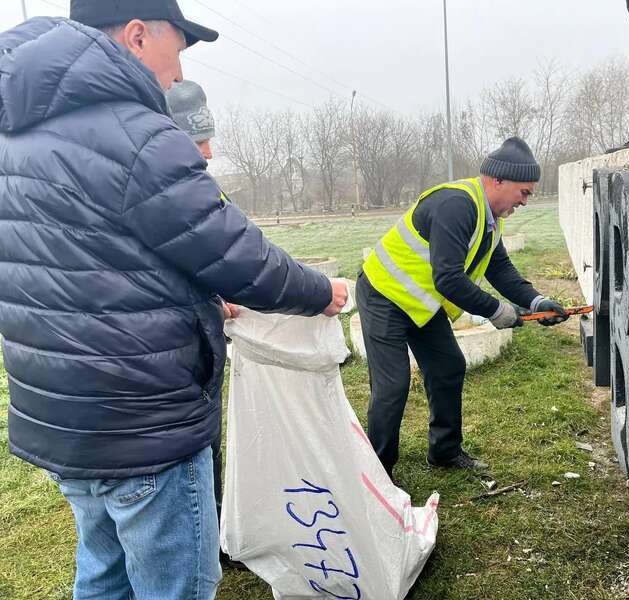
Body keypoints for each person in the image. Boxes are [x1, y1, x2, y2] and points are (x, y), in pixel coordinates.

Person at [0, 2, 347, 600]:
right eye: (178, 49)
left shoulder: (17, 133)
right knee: (176, 586)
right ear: (137, 34)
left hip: (60, 416)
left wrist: (196, 301)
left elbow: (92, 264)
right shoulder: (133, 130)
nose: (179, 74)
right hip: (142, 421)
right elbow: (235, 254)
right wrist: (321, 292)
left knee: (103, 574)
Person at [357, 137, 568, 480]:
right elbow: (449, 280)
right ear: (498, 181)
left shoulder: (489, 218)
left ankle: (444, 450)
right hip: (383, 296)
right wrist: (497, 311)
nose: (525, 202)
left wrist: (536, 301)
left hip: (419, 302)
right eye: (524, 192)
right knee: (392, 385)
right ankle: (378, 474)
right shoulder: (457, 205)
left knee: (448, 366)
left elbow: (499, 268)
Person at [165, 78, 242, 570]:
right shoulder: (161, 184)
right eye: (198, 140)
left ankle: (211, 531)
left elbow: (216, 250)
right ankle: (197, 543)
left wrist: (216, 294)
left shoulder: (193, 185)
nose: (210, 151)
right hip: (169, 367)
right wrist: (317, 292)